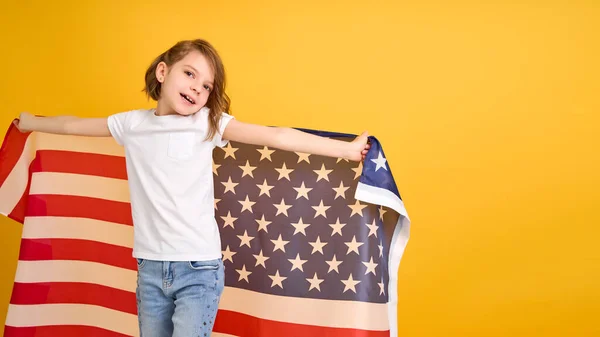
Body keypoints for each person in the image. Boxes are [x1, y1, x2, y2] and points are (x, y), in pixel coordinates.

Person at [14, 38, 370, 337]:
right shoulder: (131, 124)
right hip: (150, 269)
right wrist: (29, 122)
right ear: (163, 71)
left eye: (206, 86)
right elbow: (75, 126)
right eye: (189, 74)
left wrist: (347, 150)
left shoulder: (207, 124)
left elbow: (276, 136)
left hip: (198, 269)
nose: (197, 89)